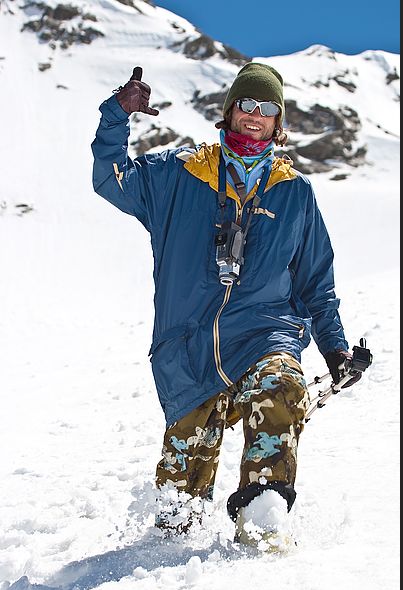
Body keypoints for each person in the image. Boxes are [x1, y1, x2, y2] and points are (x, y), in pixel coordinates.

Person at [91, 63, 361, 548]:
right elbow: (111, 180)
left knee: (281, 387)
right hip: (189, 352)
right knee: (177, 515)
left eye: (268, 108)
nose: (255, 115)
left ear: (279, 123)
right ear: (230, 110)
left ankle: (263, 518)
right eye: (247, 104)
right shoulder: (179, 173)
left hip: (265, 336)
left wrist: (335, 350)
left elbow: (315, 281)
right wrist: (116, 115)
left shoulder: (295, 192)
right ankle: (167, 551)